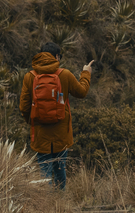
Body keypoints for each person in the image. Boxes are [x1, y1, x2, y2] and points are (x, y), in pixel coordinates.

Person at [19, 42, 94, 189]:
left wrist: (34, 121)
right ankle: (61, 203)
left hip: (40, 134)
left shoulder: (30, 76)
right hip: (61, 133)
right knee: (60, 169)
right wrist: (86, 73)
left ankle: (46, 205)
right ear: (57, 57)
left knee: (44, 171)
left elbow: (24, 107)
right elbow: (82, 92)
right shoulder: (64, 74)